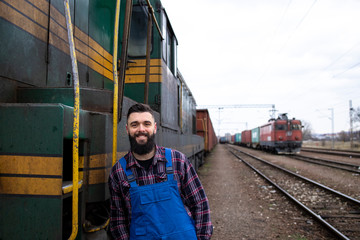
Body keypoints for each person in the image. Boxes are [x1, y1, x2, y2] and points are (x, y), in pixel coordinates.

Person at [108, 103, 213, 240]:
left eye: (147, 124)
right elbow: (118, 222)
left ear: (155, 128)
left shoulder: (178, 161)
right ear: (127, 130)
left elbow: (200, 204)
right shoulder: (119, 172)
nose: (141, 129)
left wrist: (203, 237)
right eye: (135, 125)